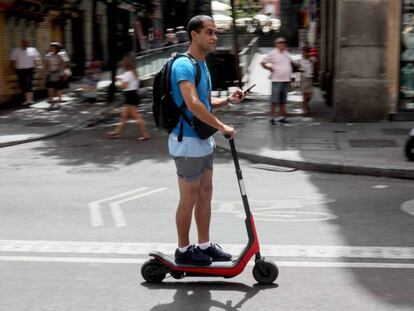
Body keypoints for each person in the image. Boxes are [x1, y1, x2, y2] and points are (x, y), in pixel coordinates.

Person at [170, 15, 246, 266]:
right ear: (194, 34)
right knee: (188, 198)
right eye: (210, 32)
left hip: (202, 139)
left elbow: (204, 102)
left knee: (205, 195)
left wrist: (228, 101)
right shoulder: (184, 65)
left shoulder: (202, 64)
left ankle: (203, 245)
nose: (215, 37)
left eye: (215, 33)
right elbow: (191, 103)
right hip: (187, 141)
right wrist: (222, 126)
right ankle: (183, 250)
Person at [107, 55, 150, 141]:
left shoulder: (128, 74)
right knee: (124, 116)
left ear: (124, 65)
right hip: (132, 95)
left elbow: (124, 86)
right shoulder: (133, 73)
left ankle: (145, 134)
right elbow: (126, 79)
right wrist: (120, 78)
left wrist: (117, 83)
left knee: (136, 116)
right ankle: (117, 132)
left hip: (130, 96)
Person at [260, 37, 293, 125]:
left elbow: (289, 64)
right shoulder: (272, 53)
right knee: (274, 100)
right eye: (280, 42)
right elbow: (262, 62)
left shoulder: (287, 53)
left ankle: (282, 117)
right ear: (276, 44)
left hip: (286, 80)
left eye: (283, 42)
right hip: (276, 80)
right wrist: (269, 68)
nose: (282, 44)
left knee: (283, 101)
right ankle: (272, 118)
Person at [9, 39, 43, 106]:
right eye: (24, 43)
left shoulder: (33, 50)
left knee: (28, 83)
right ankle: (27, 100)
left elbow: (37, 59)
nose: (25, 44)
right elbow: (12, 61)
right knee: (23, 85)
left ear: (28, 43)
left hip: (29, 69)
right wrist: (12, 69)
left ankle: (30, 100)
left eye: (27, 43)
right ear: (21, 43)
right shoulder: (16, 50)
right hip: (20, 70)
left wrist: (39, 66)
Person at [44, 42, 65, 108]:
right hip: (50, 74)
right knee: (50, 88)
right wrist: (46, 73)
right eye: (51, 48)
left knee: (59, 88)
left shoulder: (61, 56)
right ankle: (52, 101)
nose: (51, 49)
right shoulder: (48, 55)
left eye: (53, 48)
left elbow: (63, 65)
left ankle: (59, 101)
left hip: (58, 74)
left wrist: (62, 73)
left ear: (57, 49)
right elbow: (46, 64)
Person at [300, 47, 313, 115]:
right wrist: (301, 70)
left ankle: (305, 104)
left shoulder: (311, 59)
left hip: (310, 78)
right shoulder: (301, 60)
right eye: (303, 52)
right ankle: (305, 108)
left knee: (310, 95)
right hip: (304, 78)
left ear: (308, 53)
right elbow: (300, 69)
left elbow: (316, 64)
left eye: (305, 52)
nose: (304, 54)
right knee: (305, 95)